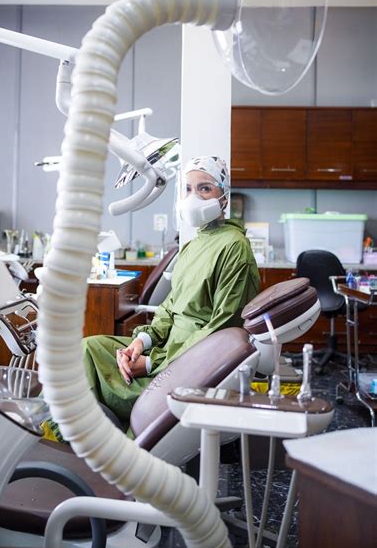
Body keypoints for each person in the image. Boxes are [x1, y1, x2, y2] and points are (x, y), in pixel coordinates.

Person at [42, 156, 260, 441]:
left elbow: (222, 330)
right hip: (166, 348)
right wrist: (142, 342)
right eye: (188, 189)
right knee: (89, 348)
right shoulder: (193, 244)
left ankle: (97, 440)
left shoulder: (234, 247)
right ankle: (76, 431)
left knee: (92, 373)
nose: (193, 198)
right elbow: (170, 307)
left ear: (224, 197)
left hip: (189, 361)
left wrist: (151, 364)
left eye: (205, 188)